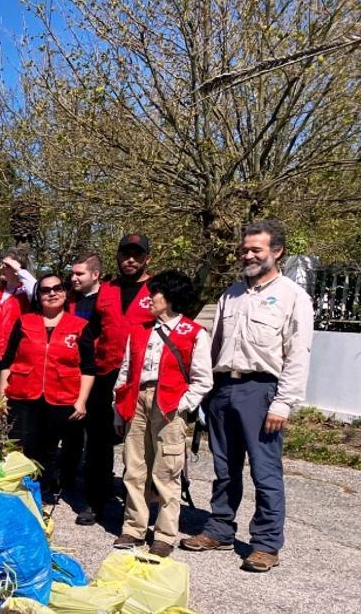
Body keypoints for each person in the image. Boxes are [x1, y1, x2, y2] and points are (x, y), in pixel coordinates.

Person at [180, 220, 314, 573]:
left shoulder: (292, 297)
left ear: (277, 252)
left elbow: (298, 354)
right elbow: (215, 346)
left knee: (265, 472)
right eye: (245, 250)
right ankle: (220, 529)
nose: (248, 255)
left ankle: (266, 544)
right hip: (224, 389)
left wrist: (283, 402)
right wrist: (206, 390)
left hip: (262, 391)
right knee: (224, 468)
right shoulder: (231, 295)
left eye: (256, 249)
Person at [112, 271, 213, 556]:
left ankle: (165, 535)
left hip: (170, 404)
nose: (148, 299)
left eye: (153, 294)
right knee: (134, 467)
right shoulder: (139, 330)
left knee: (166, 470)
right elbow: (125, 372)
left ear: (168, 298)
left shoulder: (193, 333)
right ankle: (133, 528)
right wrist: (119, 411)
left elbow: (203, 379)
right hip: (137, 400)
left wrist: (183, 405)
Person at [67, 239, 158, 525]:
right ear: (117, 257)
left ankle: (139, 509)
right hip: (106, 374)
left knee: (142, 445)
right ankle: (95, 500)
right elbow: (90, 329)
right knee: (98, 442)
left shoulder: (158, 289)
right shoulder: (107, 289)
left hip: (141, 378)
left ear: (146, 259)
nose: (130, 260)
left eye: (136, 255)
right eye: (125, 255)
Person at [0, 273, 95, 505]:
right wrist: (1, 394)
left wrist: (81, 401)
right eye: (45, 290)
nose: (52, 293)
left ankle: (45, 488)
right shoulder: (24, 322)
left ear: (65, 292)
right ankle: (19, 487)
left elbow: (88, 368)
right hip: (23, 394)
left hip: (61, 395)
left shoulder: (80, 326)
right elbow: (8, 361)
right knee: (21, 443)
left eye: (57, 288)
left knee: (50, 447)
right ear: (38, 295)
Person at [0, 247, 35, 404]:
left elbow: (35, 287)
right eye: (2, 264)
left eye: (7, 265)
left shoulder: (28, 294)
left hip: (13, 358)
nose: (2, 267)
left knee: (10, 403)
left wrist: (19, 268)